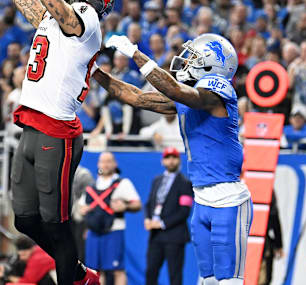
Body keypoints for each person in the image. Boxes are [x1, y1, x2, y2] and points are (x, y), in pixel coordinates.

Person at [4, 0, 113, 285]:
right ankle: (78, 270)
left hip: (58, 132)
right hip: (33, 128)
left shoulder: (86, 22)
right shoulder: (57, 20)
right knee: (25, 219)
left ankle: (76, 278)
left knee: (56, 219)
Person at [93, 33, 253, 285]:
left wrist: (136, 53)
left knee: (229, 280)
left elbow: (175, 89)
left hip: (228, 199)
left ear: (214, 65)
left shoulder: (217, 92)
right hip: (202, 198)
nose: (187, 62)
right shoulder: (187, 97)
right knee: (207, 279)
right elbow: (135, 96)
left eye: (196, 58)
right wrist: (95, 72)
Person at [79, 152, 141, 285]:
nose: (105, 164)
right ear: (98, 164)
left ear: (115, 164)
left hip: (114, 231)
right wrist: (84, 213)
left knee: (117, 269)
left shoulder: (123, 183)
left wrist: (124, 206)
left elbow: (137, 204)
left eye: (109, 161)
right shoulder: (92, 186)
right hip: (94, 232)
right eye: (103, 161)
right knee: (95, 270)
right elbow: (81, 208)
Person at [144, 148, 193, 285]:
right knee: (151, 272)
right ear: (162, 161)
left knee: (175, 275)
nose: (170, 161)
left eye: (174, 157)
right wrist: (147, 219)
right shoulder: (157, 180)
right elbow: (149, 203)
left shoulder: (185, 183)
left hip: (174, 236)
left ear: (179, 160)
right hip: (156, 236)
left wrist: (161, 223)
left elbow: (184, 212)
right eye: (167, 157)